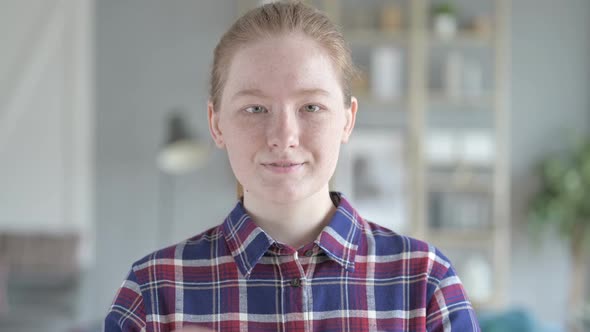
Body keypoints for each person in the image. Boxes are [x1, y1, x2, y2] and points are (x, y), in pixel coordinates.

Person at [104, 1, 480, 331]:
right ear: (216, 124)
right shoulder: (151, 294)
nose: (283, 136)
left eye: (311, 107)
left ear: (347, 120)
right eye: (255, 108)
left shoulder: (427, 282)